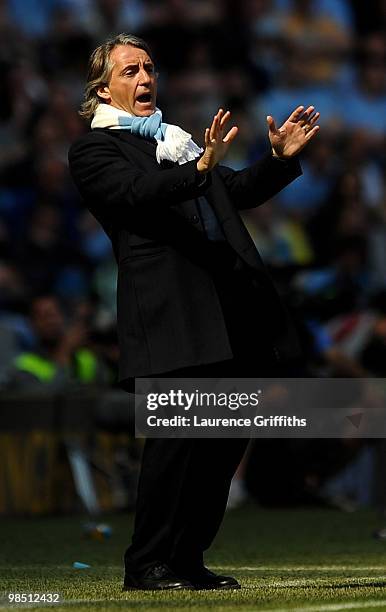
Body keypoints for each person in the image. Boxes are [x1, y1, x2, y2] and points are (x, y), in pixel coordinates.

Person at [68, 33, 320, 591]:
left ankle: (186, 558)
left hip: (224, 315)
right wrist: (200, 167)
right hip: (168, 316)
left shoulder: (176, 140)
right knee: (176, 447)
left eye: (150, 68)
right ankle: (147, 564)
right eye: (130, 70)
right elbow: (136, 194)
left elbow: (235, 191)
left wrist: (277, 161)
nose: (144, 78)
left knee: (220, 445)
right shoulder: (95, 149)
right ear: (102, 87)